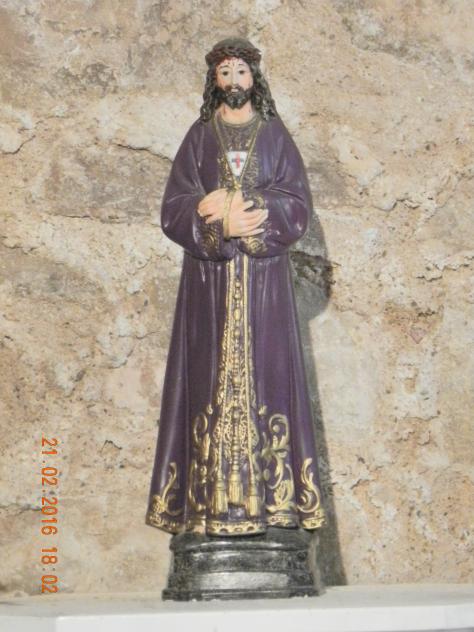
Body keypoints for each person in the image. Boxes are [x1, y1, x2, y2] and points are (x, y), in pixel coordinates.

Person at [146, 37, 326, 536]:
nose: (233, 81)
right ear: (214, 80)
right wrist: (213, 221)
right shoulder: (199, 137)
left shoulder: (275, 136)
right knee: (204, 381)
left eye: (240, 72)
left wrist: (253, 211)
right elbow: (174, 207)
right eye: (224, 73)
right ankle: (203, 510)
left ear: (254, 78)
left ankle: (276, 507)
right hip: (210, 285)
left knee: (271, 380)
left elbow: (297, 202)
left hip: (264, 286)